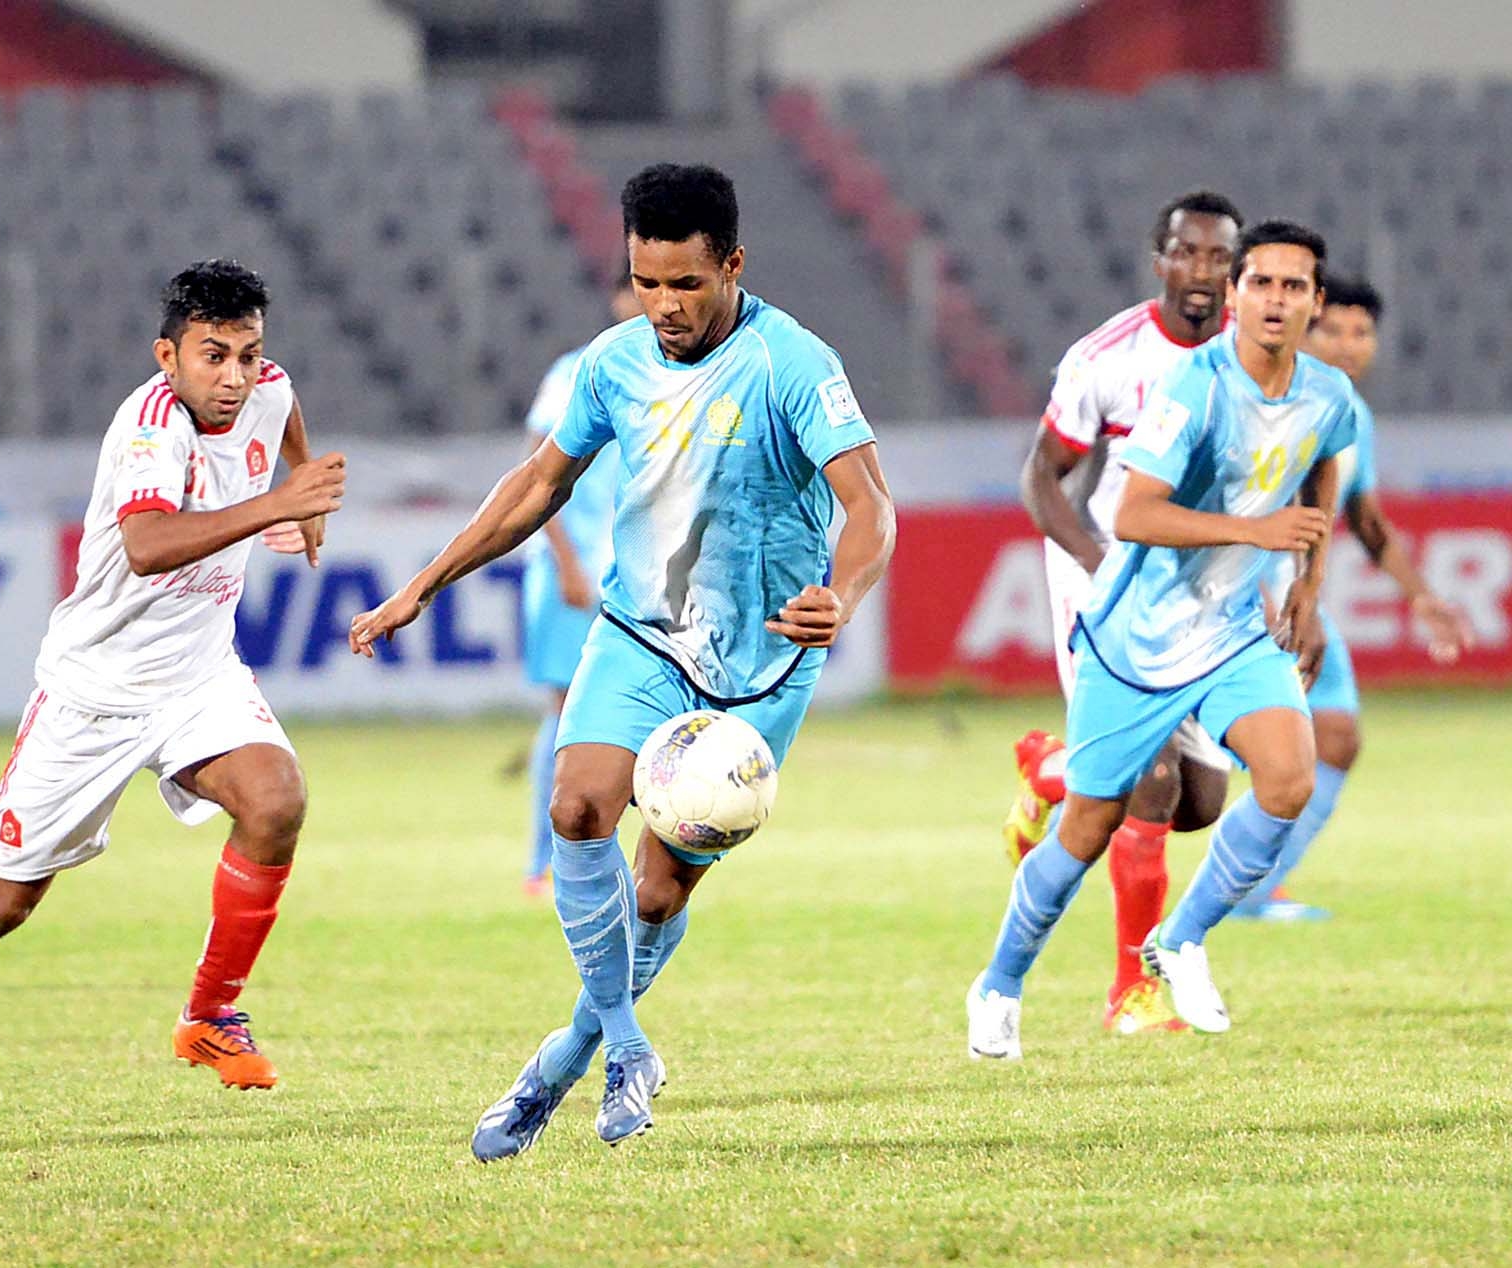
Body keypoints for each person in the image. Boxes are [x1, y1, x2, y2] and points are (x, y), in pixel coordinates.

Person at [349, 163, 895, 1155]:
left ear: (733, 264)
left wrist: (842, 595)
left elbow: (871, 504)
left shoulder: (792, 362)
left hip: (760, 663)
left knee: (655, 891)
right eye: (648, 283)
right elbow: (538, 483)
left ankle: (565, 1054)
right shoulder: (613, 362)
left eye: (686, 283)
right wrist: (424, 583)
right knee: (575, 807)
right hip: (641, 629)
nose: (666, 306)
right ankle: (629, 1044)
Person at [0, 260, 347, 1142]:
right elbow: (147, 546)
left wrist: (305, 500)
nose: (233, 377)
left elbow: (286, 413)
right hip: (94, 694)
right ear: (168, 355)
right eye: (212, 356)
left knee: (277, 799)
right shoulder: (148, 428)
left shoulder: (267, 388)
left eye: (248, 355)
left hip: (197, 675)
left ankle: (209, 1017)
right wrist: (275, 505)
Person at [966, 220, 1358, 1060]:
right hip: (1135, 636)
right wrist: (1257, 535)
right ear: (1238, 297)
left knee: (1283, 780)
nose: (1275, 298)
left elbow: (1326, 466)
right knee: (1086, 834)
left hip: (1229, 634)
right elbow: (1136, 513)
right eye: (1262, 283)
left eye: (1296, 287)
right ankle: (1000, 980)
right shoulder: (1192, 387)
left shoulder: (1327, 394)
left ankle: (1180, 939)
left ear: (1316, 302)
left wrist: (1310, 590)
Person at [1004, 190, 1244, 1035]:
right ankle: (1130, 993)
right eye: (1188, 254)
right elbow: (1041, 478)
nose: (1203, 274)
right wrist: (1104, 569)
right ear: (1160, 260)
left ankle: (1050, 773)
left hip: (1192, 594)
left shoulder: (1252, 362)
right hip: (1102, 581)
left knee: (1200, 803)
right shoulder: (1106, 358)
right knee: (1150, 780)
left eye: (1220, 259)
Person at [1231, 274, 1474, 919]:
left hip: (1295, 597)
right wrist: (1255, 590)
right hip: (1228, 594)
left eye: (1361, 332)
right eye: (1331, 328)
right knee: (1189, 764)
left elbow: (1364, 521)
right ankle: (1056, 787)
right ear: (1302, 329)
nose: (1347, 344)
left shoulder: (1349, 413)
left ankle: (1253, 892)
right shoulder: (1256, 398)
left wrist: (1421, 596)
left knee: (1335, 736)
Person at [519, 273, 644, 895]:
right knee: (567, 710)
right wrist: (566, 559)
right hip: (576, 571)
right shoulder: (577, 371)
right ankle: (546, 861)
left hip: (640, 573)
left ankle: (618, 854)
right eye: (638, 291)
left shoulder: (681, 376)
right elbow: (538, 469)